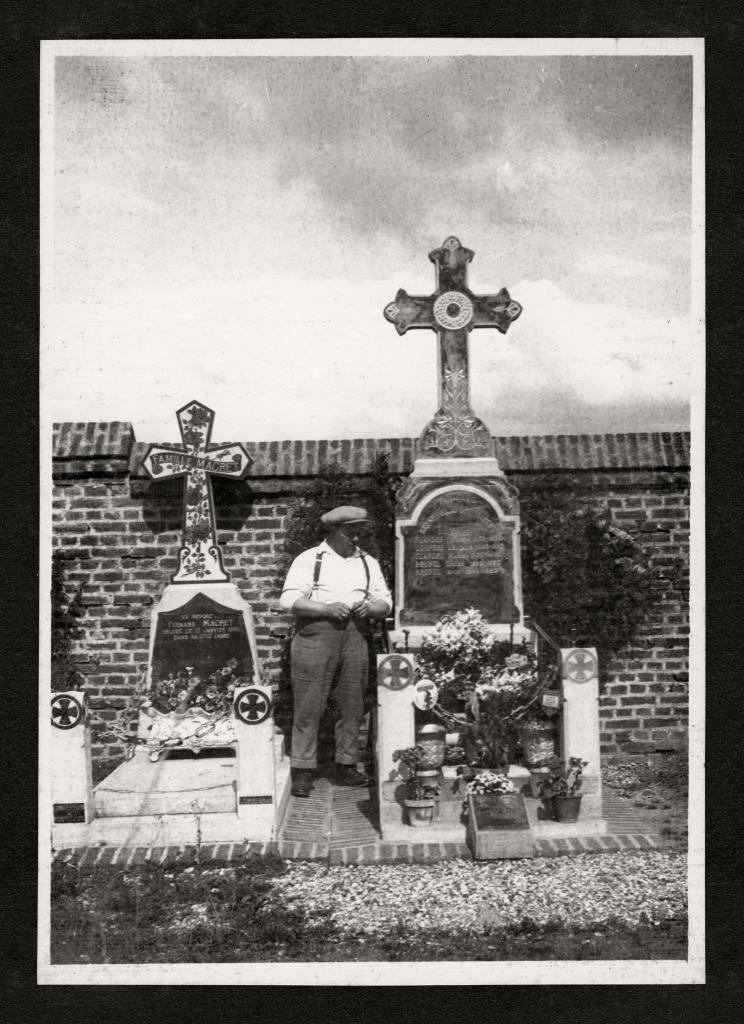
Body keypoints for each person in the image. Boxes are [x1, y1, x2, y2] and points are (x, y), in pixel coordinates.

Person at [279, 505, 392, 797]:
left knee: (352, 703)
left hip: (356, 635)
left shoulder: (368, 562)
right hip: (316, 634)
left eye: (359, 534)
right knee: (309, 704)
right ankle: (303, 770)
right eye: (349, 534)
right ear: (333, 531)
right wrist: (326, 608)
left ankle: (346, 765)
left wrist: (372, 608)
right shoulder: (309, 559)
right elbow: (290, 600)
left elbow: (385, 602)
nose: (355, 540)